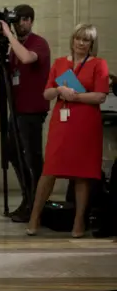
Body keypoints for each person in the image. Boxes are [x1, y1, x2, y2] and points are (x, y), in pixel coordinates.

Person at [26, 24, 109, 237]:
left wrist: (75, 96)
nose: (81, 43)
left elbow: (100, 96)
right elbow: (46, 94)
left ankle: (79, 222)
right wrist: (59, 90)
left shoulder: (99, 64)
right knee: (49, 171)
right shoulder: (60, 63)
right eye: (78, 39)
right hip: (62, 122)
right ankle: (34, 217)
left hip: (86, 123)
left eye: (86, 40)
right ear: (72, 40)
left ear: (92, 44)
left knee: (82, 174)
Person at [1, 4, 51, 223]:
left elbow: (28, 59)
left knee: (32, 158)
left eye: (23, 20)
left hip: (32, 110)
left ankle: (35, 203)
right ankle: (27, 197)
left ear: (30, 21)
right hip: (17, 109)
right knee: (12, 152)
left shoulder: (38, 43)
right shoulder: (15, 46)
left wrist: (9, 36)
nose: (19, 24)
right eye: (16, 20)